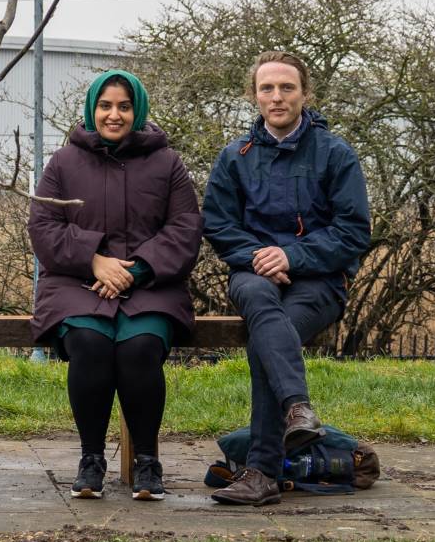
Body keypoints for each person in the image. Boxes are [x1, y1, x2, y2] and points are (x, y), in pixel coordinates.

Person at [203, 51, 371, 506]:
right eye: (267, 88)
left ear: (305, 94)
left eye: (286, 88)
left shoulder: (336, 154)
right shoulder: (234, 156)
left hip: (318, 281)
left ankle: (260, 472)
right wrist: (260, 256)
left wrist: (292, 256)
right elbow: (217, 224)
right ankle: (298, 410)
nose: (276, 97)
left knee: (265, 340)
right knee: (262, 310)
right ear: (253, 95)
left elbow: (354, 231)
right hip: (253, 275)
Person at [28, 70, 202, 501]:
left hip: (152, 284)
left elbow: (185, 228)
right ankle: (91, 460)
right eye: (105, 105)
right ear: (92, 109)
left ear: (137, 110)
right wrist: (94, 261)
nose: (114, 114)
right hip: (76, 283)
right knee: (89, 343)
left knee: (140, 347)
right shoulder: (63, 162)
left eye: (124, 106)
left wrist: (137, 269)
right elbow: (43, 226)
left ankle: (147, 461)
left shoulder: (167, 163)